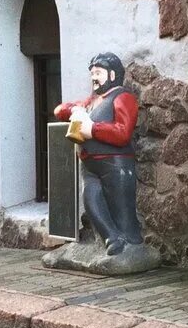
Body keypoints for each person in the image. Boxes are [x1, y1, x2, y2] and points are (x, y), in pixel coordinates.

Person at [53, 52, 144, 256]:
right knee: (92, 201)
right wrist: (75, 109)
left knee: (122, 211)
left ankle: (132, 247)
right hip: (90, 165)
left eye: (98, 73)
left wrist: (93, 129)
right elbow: (59, 110)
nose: (94, 78)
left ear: (112, 75)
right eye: (92, 73)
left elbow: (122, 133)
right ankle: (112, 240)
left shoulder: (122, 97)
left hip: (115, 164)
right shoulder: (91, 102)